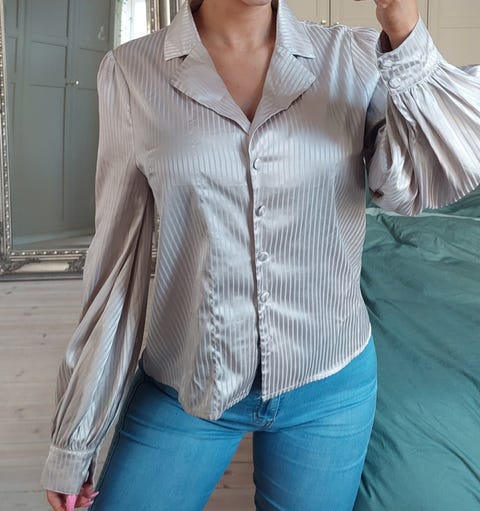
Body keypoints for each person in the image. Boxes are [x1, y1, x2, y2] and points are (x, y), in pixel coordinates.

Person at [42, 0, 480, 510]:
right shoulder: (131, 71)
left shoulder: (354, 56)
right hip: (187, 382)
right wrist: (74, 439)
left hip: (329, 386)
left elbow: (418, 184)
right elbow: (117, 264)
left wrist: (401, 24)